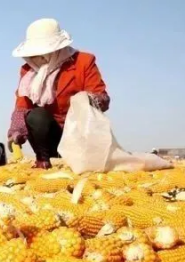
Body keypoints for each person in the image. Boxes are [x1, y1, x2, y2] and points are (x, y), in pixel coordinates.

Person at [8, 18, 110, 169]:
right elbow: (22, 104)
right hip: (50, 135)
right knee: (37, 116)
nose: (39, 57)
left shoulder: (83, 61)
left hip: (77, 133)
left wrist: (87, 100)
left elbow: (102, 97)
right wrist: (16, 131)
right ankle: (43, 160)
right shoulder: (28, 71)